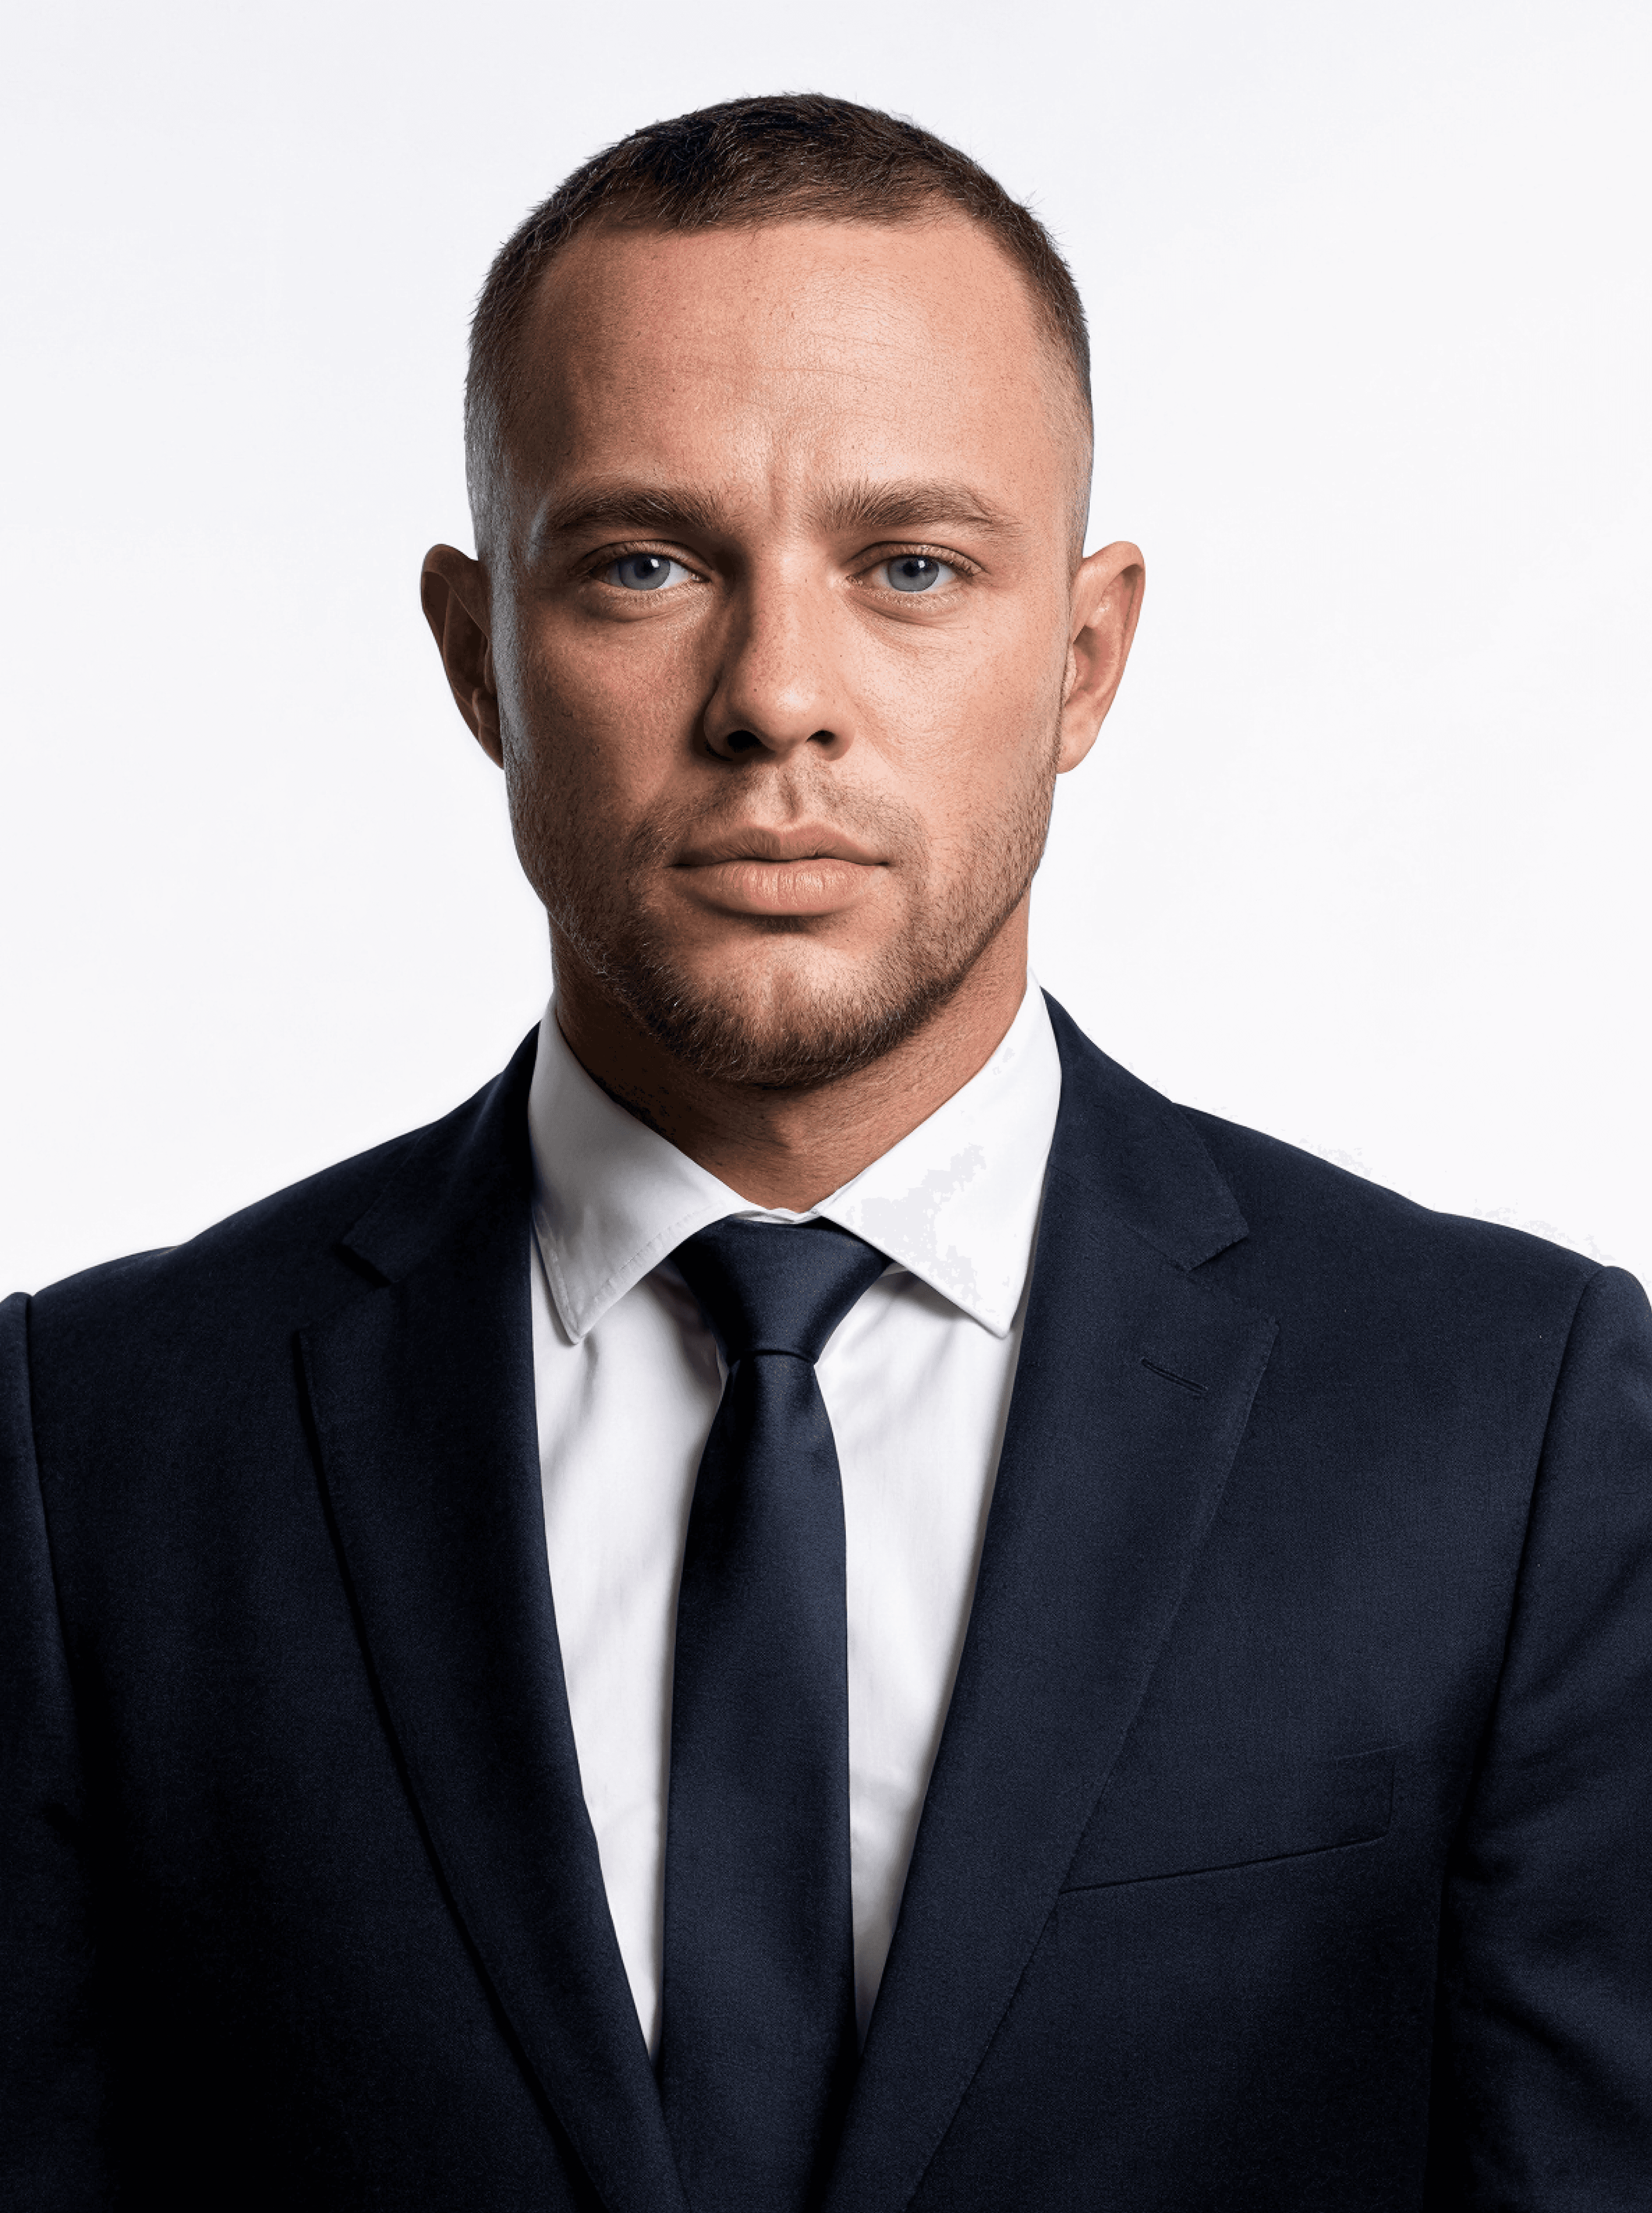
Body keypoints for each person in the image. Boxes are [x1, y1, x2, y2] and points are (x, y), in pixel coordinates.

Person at [3, 91, 1649, 2213]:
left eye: (908, 567)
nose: (778, 694)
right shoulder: (96, 1454)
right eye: (642, 563)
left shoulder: (1505, 1426)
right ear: (474, 654)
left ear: (1081, 656)